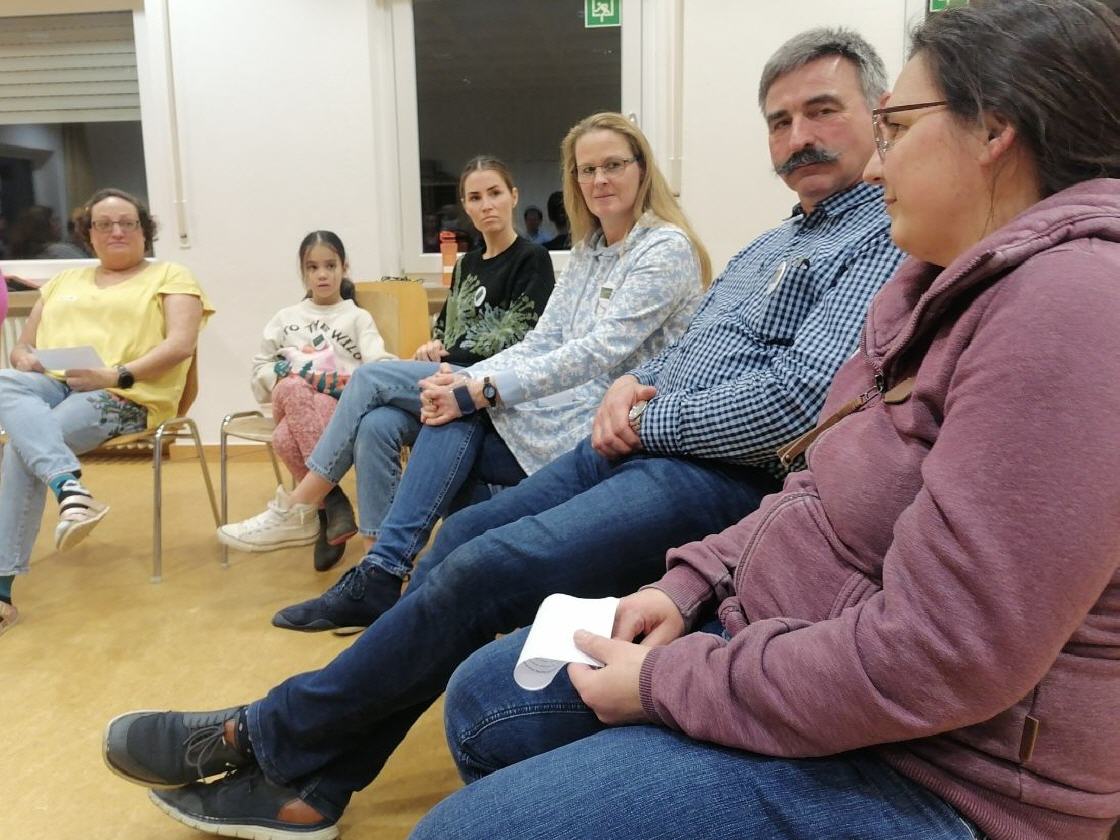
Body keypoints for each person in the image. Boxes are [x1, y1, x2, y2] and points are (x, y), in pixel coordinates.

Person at [102, 28, 904, 839]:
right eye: (779, 121)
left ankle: (262, 731)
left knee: (480, 553)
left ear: (880, 115)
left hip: (713, 473)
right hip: (630, 436)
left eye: (822, 111)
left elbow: (798, 404)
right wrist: (620, 392)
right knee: (459, 531)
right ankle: (316, 779)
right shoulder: (767, 242)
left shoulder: (881, 236)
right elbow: (672, 351)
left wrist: (621, 407)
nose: (798, 136)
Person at [412, 3, 1120, 839]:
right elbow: (814, 484)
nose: (876, 162)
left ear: (994, 129)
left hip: (942, 766)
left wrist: (670, 680)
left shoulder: (1070, 306)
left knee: (458, 815)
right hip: (784, 624)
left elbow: (941, 655)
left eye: (892, 126)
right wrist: (687, 585)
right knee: (485, 692)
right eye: (780, 121)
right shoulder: (927, 277)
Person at [226, 117, 708, 633]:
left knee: (375, 384)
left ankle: (310, 513)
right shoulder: (587, 251)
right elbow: (542, 340)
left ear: (642, 169)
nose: (600, 179)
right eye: (587, 169)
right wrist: (468, 382)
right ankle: (377, 573)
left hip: (596, 416)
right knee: (384, 423)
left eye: (613, 165)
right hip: (541, 397)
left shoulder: (663, 248)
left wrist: (481, 388)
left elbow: (595, 353)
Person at [218, 156, 557, 576]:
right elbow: (449, 331)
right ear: (465, 206)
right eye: (475, 197)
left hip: (486, 387)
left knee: (370, 377)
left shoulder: (532, 259)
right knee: (375, 424)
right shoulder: (466, 264)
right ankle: (378, 564)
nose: (486, 204)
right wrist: (433, 347)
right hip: (448, 378)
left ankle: (301, 504)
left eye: (495, 193)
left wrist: (454, 361)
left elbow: (522, 341)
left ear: (514, 197)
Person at [0, 187, 212, 636]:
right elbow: (22, 347)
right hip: (54, 383)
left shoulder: (172, 276)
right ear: (89, 234)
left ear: (144, 231)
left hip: (127, 394)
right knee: (4, 381)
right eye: (104, 224)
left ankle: (1, 589)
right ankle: (71, 490)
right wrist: (23, 358)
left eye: (127, 223)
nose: (116, 231)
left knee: (23, 445)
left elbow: (181, 345)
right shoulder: (62, 282)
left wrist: (115, 375)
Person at [249, 230, 394, 571]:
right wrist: (284, 374)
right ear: (303, 272)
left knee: (284, 438)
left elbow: (377, 362)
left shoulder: (357, 317)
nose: (322, 274)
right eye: (313, 267)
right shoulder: (285, 318)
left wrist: (400, 374)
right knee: (292, 387)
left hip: (333, 404)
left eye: (330, 265)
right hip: (288, 398)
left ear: (344, 267)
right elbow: (259, 370)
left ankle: (325, 511)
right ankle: (332, 496)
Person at [8, 204, 89, 259]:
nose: (59, 225)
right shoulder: (60, 251)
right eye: (54, 220)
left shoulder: (16, 255)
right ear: (42, 226)